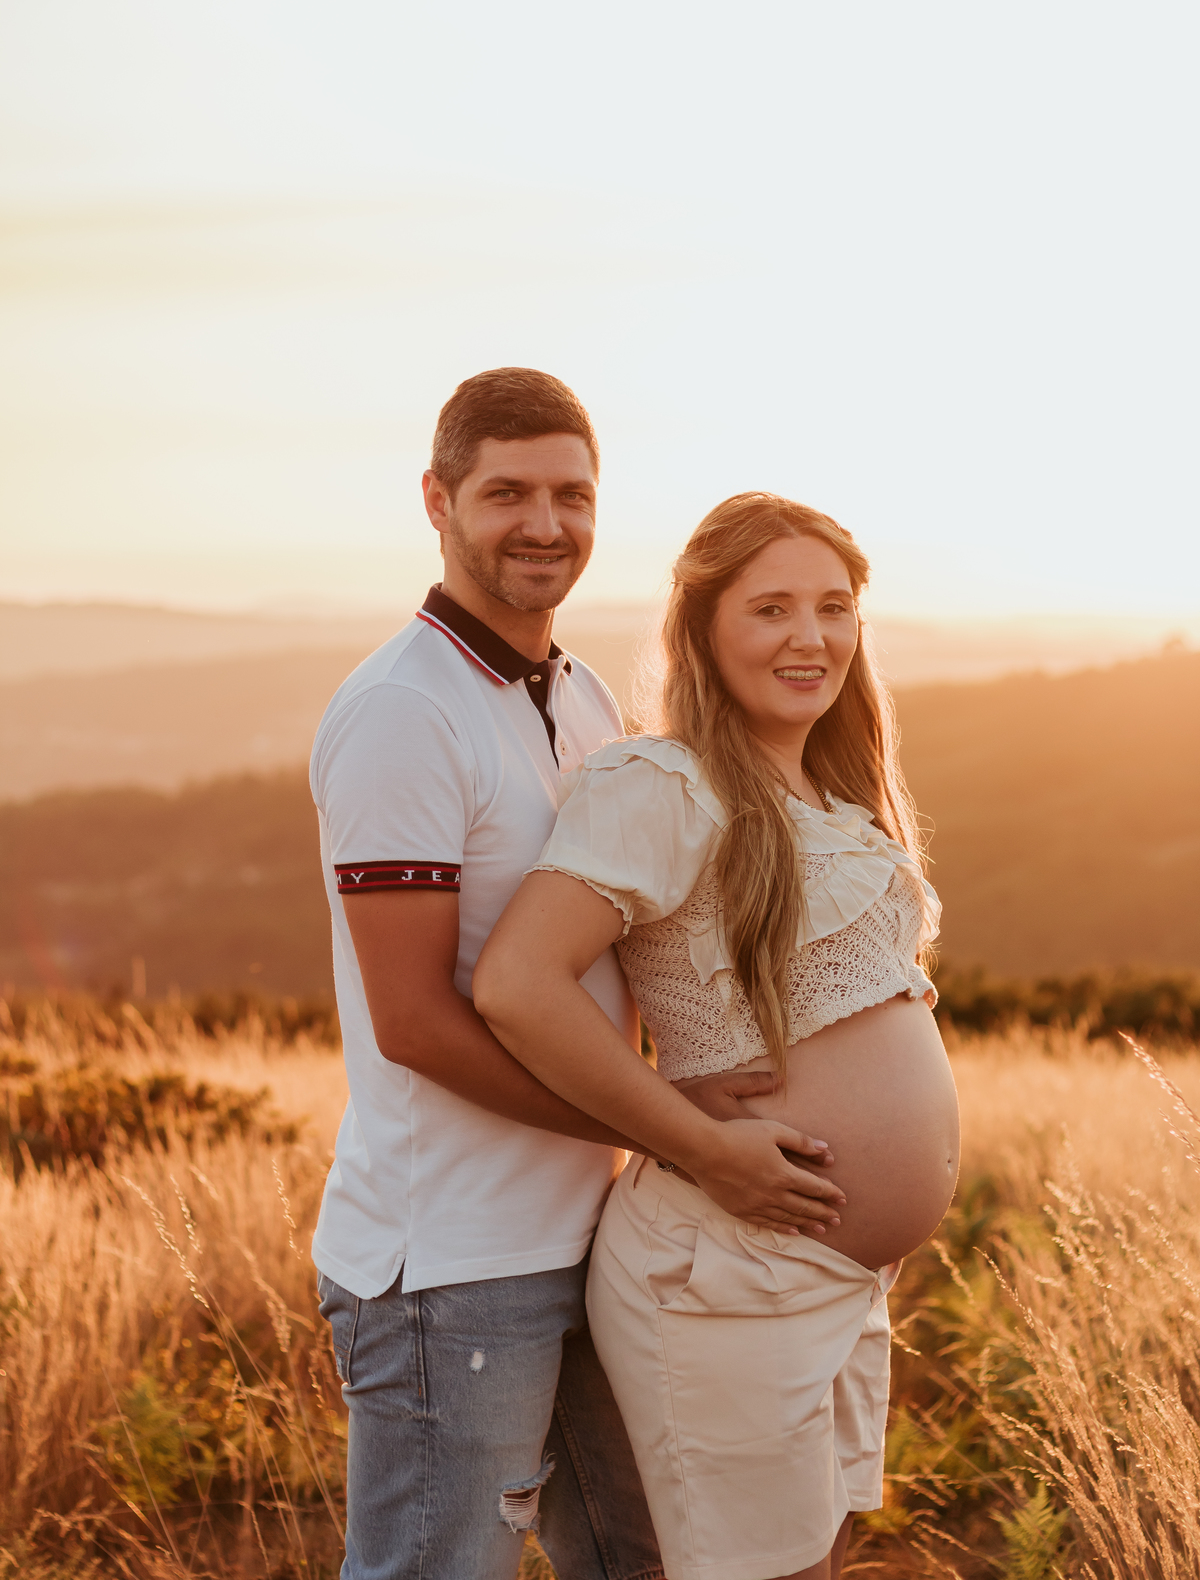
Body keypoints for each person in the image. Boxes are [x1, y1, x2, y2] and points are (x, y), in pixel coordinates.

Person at [310, 375, 815, 1580]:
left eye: (572, 496)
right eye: (507, 494)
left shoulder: (580, 697)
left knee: (648, 1558)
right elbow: (415, 1024)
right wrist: (681, 1134)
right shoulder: (402, 711)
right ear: (437, 501)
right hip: (452, 1266)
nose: (545, 524)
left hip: (593, 1241)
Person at [475, 492, 962, 1580]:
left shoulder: (832, 790)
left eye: (833, 608)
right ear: (702, 627)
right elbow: (518, 984)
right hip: (725, 1271)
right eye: (771, 608)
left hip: (830, 1277)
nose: (810, 637)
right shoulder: (665, 780)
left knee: (817, 1559)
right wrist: (698, 1141)